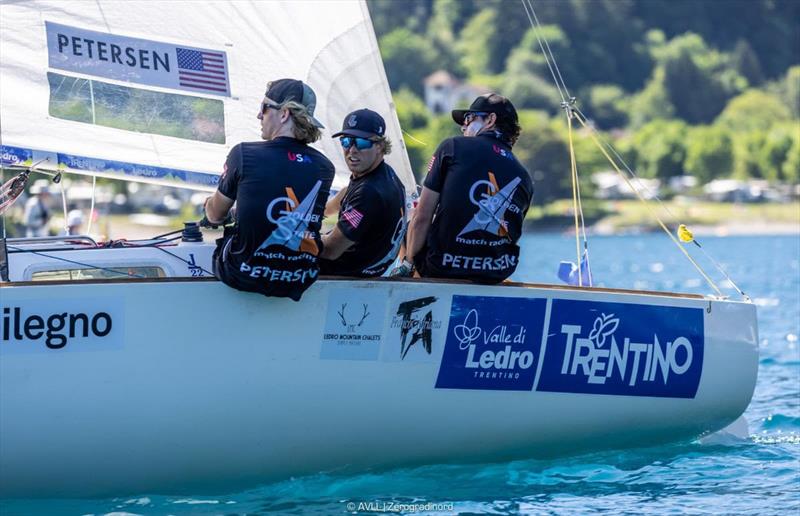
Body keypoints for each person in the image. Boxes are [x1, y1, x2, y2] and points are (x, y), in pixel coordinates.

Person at [204, 78, 335, 301]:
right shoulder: (325, 167)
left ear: (284, 114)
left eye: (264, 108)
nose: (258, 115)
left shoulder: (243, 154)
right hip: (299, 279)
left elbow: (215, 215)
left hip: (242, 275)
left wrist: (208, 204)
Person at [393, 93, 533, 283]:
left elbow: (422, 217)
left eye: (469, 118)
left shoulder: (452, 147)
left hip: (441, 267)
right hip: (494, 273)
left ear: (490, 120)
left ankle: (409, 287)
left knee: (410, 216)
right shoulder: (524, 176)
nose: (463, 126)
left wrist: (408, 264)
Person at [319, 109, 406, 277]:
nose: (352, 150)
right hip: (372, 267)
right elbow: (345, 195)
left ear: (380, 146)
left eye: (361, 142)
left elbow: (330, 250)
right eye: (346, 141)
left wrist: (295, 236)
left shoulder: (369, 193)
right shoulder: (383, 173)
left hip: (348, 276)